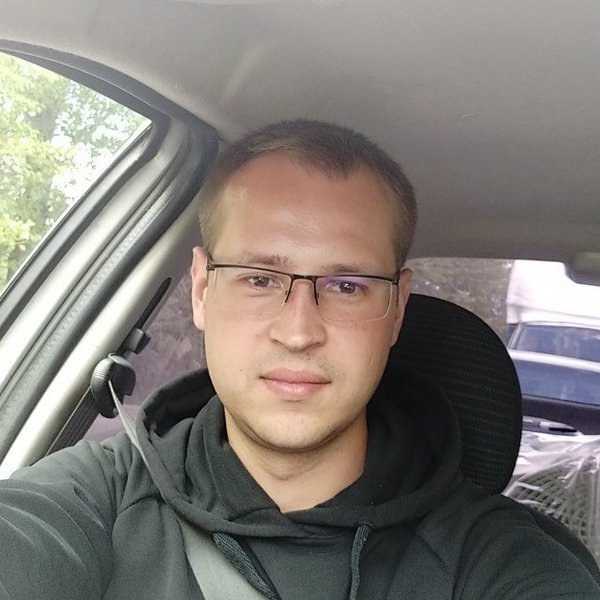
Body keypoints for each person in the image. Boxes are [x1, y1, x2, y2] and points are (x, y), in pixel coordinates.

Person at [0, 119, 598, 600]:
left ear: (396, 309)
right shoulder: (94, 499)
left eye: (347, 286)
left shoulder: (500, 561)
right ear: (202, 289)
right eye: (260, 279)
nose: (298, 332)